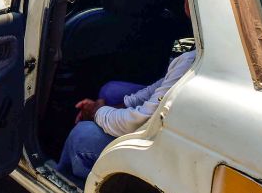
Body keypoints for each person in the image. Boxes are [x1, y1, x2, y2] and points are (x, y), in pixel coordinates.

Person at [58, 44, 197, 181]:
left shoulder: (190, 61)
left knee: (81, 135)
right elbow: (157, 89)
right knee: (110, 92)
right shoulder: (196, 55)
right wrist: (111, 107)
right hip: (169, 128)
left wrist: (96, 112)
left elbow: (139, 122)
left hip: (167, 155)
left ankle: (64, 179)